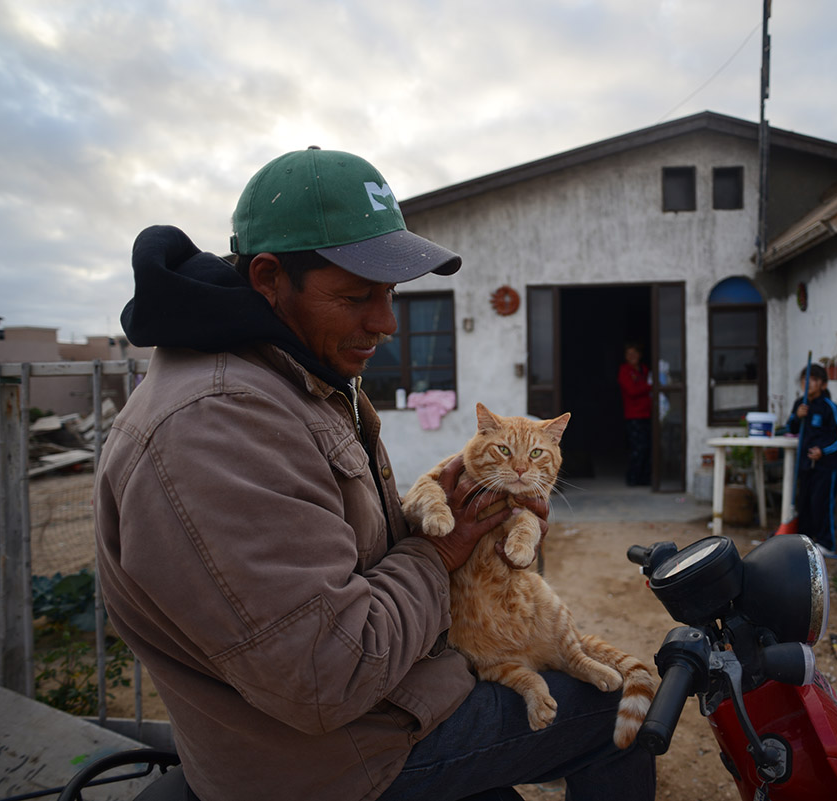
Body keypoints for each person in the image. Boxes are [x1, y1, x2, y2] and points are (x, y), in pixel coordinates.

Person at [94, 147, 655, 801]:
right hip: (331, 762)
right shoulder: (214, 423)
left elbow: (351, 560)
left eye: (390, 293)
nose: (387, 321)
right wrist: (441, 549)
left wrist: (464, 522)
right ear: (270, 277)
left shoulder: (300, 375)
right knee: (618, 712)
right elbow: (326, 676)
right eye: (357, 295)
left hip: (394, 701)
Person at [785, 363, 837, 554]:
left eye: (813, 380)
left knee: (822, 503)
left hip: (825, 465)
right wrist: (796, 416)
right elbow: (790, 429)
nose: (807, 383)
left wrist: (823, 451)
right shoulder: (800, 404)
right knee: (805, 503)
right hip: (805, 464)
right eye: (804, 379)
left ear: (823, 384)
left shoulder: (829, 408)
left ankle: (827, 544)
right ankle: (806, 541)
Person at [617, 342, 652, 486]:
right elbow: (632, 391)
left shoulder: (643, 369)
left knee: (647, 447)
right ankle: (633, 478)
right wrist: (650, 386)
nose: (632, 356)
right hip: (634, 415)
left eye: (635, 353)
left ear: (640, 355)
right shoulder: (624, 371)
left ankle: (644, 478)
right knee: (637, 448)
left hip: (647, 414)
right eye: (629, 354)